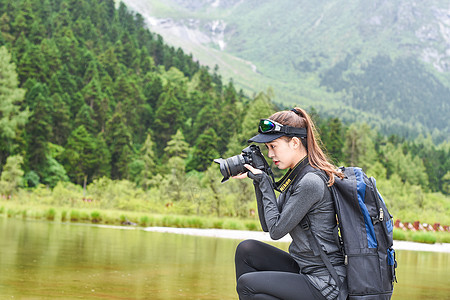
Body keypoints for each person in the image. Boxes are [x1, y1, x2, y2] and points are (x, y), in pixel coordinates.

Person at [233, 107, 347, 300]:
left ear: (294, 143)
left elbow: (277, 232)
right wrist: (260, 180)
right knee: (247, 250)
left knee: (248, 285)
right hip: (305, 269)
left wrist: (265, 184)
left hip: (326, 283)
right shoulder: (297, 176)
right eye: (267, 148)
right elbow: (268, 225)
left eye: (273, 146)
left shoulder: (310, 182)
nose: (270, 155)